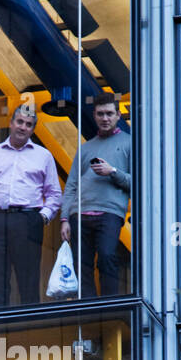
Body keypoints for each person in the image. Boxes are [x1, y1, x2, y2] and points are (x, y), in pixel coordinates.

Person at [0, 103, 62, 307]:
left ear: (32, 129)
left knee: (28, 279)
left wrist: (42, 217)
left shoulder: (43, 156)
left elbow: (55, 194)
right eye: (19, 122)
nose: (23, 127)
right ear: (11, 123)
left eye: (28, 124)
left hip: (27, 220)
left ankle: (29, 330)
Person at [60, 93, 132, 298]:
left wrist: (113, 172)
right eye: (100, 114)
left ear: (118, 115)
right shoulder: (85, 148)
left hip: (109, 212)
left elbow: (139, 183)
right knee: (81, 265)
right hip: (79, 213)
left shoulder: (129, 143)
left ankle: (109, 305)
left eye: (109, 113)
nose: (105, 118)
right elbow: (72, 185)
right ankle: (87, 309)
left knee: (107, 257)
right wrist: (64, 218)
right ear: (94, 115)